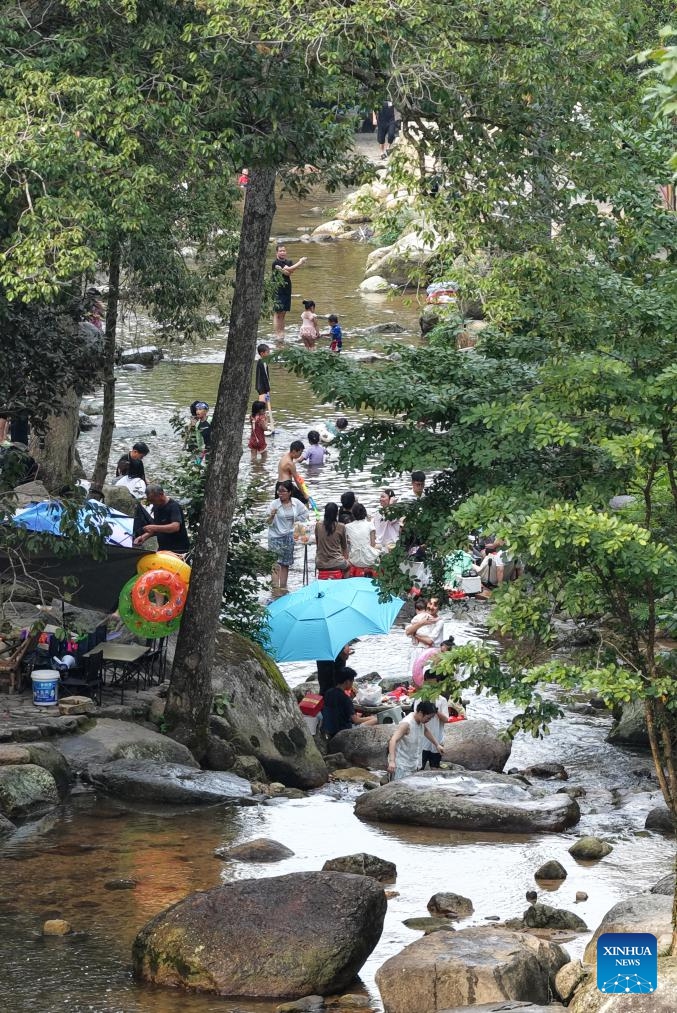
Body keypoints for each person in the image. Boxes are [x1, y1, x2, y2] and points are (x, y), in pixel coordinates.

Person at [267, 480, 308, 590]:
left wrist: (295, 520)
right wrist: (272, 516)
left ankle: (283, 588)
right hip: (275, 536)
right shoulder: (274, 504)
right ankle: (275, 590)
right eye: (279, 491)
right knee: (275, 564)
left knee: (285, 564)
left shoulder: (295, 502)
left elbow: (305, 513)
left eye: (283, 491)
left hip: (288, 536)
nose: (280, 493)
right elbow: (267, 523)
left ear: (289, 492)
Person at [387, 700, 442, 780]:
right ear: (420, 712)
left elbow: (426, 731)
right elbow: (393, 740)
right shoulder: (407, 724)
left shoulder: (420, 722)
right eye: (428, 718)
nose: (428, 720)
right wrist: (392, 761)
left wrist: (437, 745)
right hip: (401, 765)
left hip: (413, 763)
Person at [134, 484, 190, 553]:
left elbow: (175, 527)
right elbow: (158, 528)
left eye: (153, 500)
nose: (151, 503)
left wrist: (153, 527)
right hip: (163, 548)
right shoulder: (156, 506)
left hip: (178, 549)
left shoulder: (173, 506)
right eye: (150, 500)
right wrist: (143, 537)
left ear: (161, 494)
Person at [321, 668, 378, 736]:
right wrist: (371, 718)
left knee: (361, 715)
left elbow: (337, 711)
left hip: (329, 730)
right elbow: (356, 721)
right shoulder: (345, 698)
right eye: (352, 681)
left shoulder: (328, 692)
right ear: (347, 681)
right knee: (377, 719)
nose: (352, 684)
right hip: (345, 732)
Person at [272, 244, 307, 339]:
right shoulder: (275, 263)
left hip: (287, 288)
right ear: (276, 252)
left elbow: (289, 272)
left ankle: (282, 332)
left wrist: (286, 269)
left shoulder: (289, 262)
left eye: (284, 251)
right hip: (277, 289)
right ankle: (277, 334)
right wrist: (300, 262)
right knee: (278, 313)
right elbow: (288, 271)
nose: (282, 252)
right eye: (280, 251)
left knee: (283, 313)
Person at [420, 670, 450, 769]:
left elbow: (446, 719)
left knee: (435, 767)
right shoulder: (420, 698)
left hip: (437, 739)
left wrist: (435, 710)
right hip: (422, 742)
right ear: (425, 682)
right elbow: (417, 718)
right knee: (419, 767)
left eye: (433, 684)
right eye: (429, 683)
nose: (431, 686)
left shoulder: (442, 700)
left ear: (438, 683)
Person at [314, 502, 349, 574]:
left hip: (320, 563)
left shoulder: (318, 525)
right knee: (349, 566)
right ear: (336, 513)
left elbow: (318, 545)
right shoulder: (341, 526)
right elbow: (344, 547)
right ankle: (345, 580)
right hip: (337, 563)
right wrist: (346, 560)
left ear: (325, 513)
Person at [346, 503, 379, 569]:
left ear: (353, 514)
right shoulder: (370, 524)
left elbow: (346, 543)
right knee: (382, 549)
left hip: (354, 560)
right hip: (369, 559)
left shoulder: (347, 526)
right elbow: (373, 544)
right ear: (364, 512)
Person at [254, 343, 274, 432]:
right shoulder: (262, 362)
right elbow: (264, 376)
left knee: (264, 407)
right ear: (262, 353)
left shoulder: (264, 362)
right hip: (262, 388)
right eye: (267, 352)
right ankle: (260, 425)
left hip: (263, 387)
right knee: (261, 408)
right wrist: (268, 388)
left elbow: (267, 376)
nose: (269, 354)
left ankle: (264, 425)